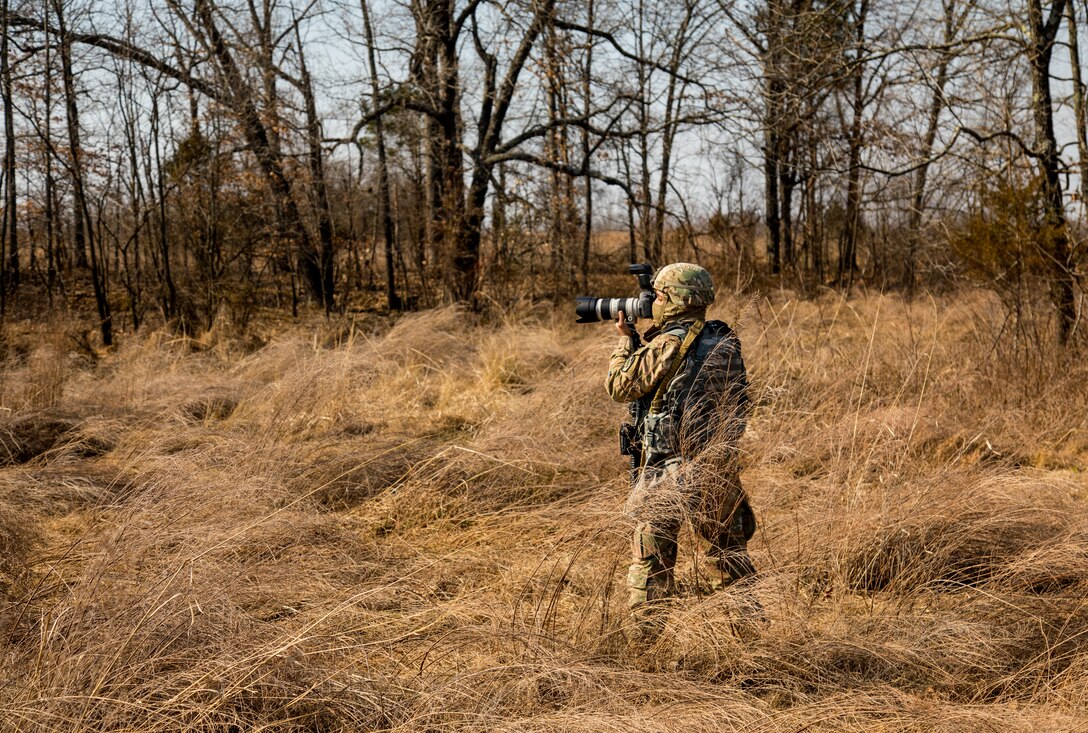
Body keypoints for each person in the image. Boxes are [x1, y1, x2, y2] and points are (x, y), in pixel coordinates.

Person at [606, 263, 756, 625]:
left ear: (675, 300)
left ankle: (645, 645)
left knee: (651, 565)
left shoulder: (668, 344)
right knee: (728, 556)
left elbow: (619, 386)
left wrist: (626, 343)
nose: (653, 301)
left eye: (658, 295)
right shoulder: (724, 341)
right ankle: (750, 636)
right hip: (717, 468)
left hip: (669, 472)